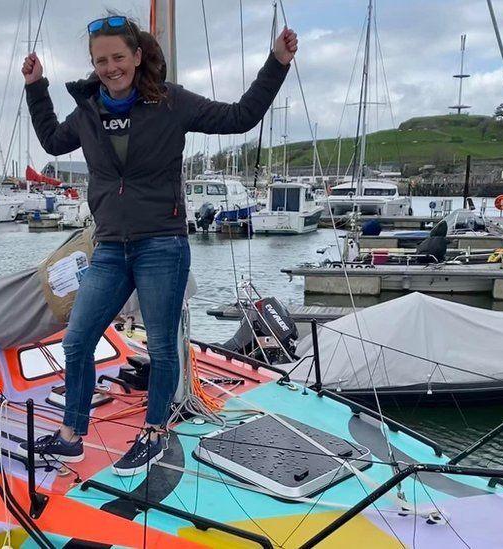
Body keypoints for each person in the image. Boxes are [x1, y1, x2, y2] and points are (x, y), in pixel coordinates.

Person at [21, 15, 297, 476]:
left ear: (137, 56)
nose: (110, 67)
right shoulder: (88, 111)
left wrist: (277, 62)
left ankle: (153, 432)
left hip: (162, 246)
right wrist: (36, 85)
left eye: (118, 58)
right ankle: (72, 436)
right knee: (77, 341)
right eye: (101, 60)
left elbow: (240, 116)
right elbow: (51, 138)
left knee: (164, 347)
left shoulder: (171, 104)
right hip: (109, 247)